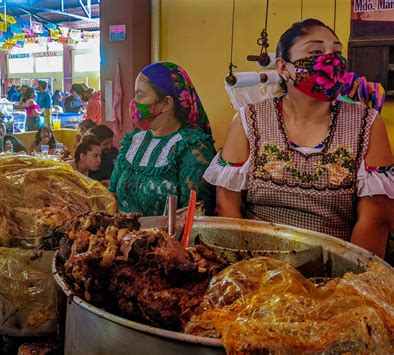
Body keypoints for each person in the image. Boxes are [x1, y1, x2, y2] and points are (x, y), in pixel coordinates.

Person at [204, 19, 394, 258]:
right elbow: (228, 206)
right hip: (258, 264)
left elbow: (374, 220)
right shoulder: (249, 119)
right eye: (316, 51)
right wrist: (247, 269)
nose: (331, 59)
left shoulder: (367, 123)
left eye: (336, 52)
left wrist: (347, 284)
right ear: (283, 68)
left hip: (333, 270)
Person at [109, 62, 216, 216]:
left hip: (165, 238)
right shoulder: (134, 140)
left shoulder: (194, 147)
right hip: (121, 236)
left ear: (166, 103)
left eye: (140, 96)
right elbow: (112, 193)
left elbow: (195, 215)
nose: (134, 102)